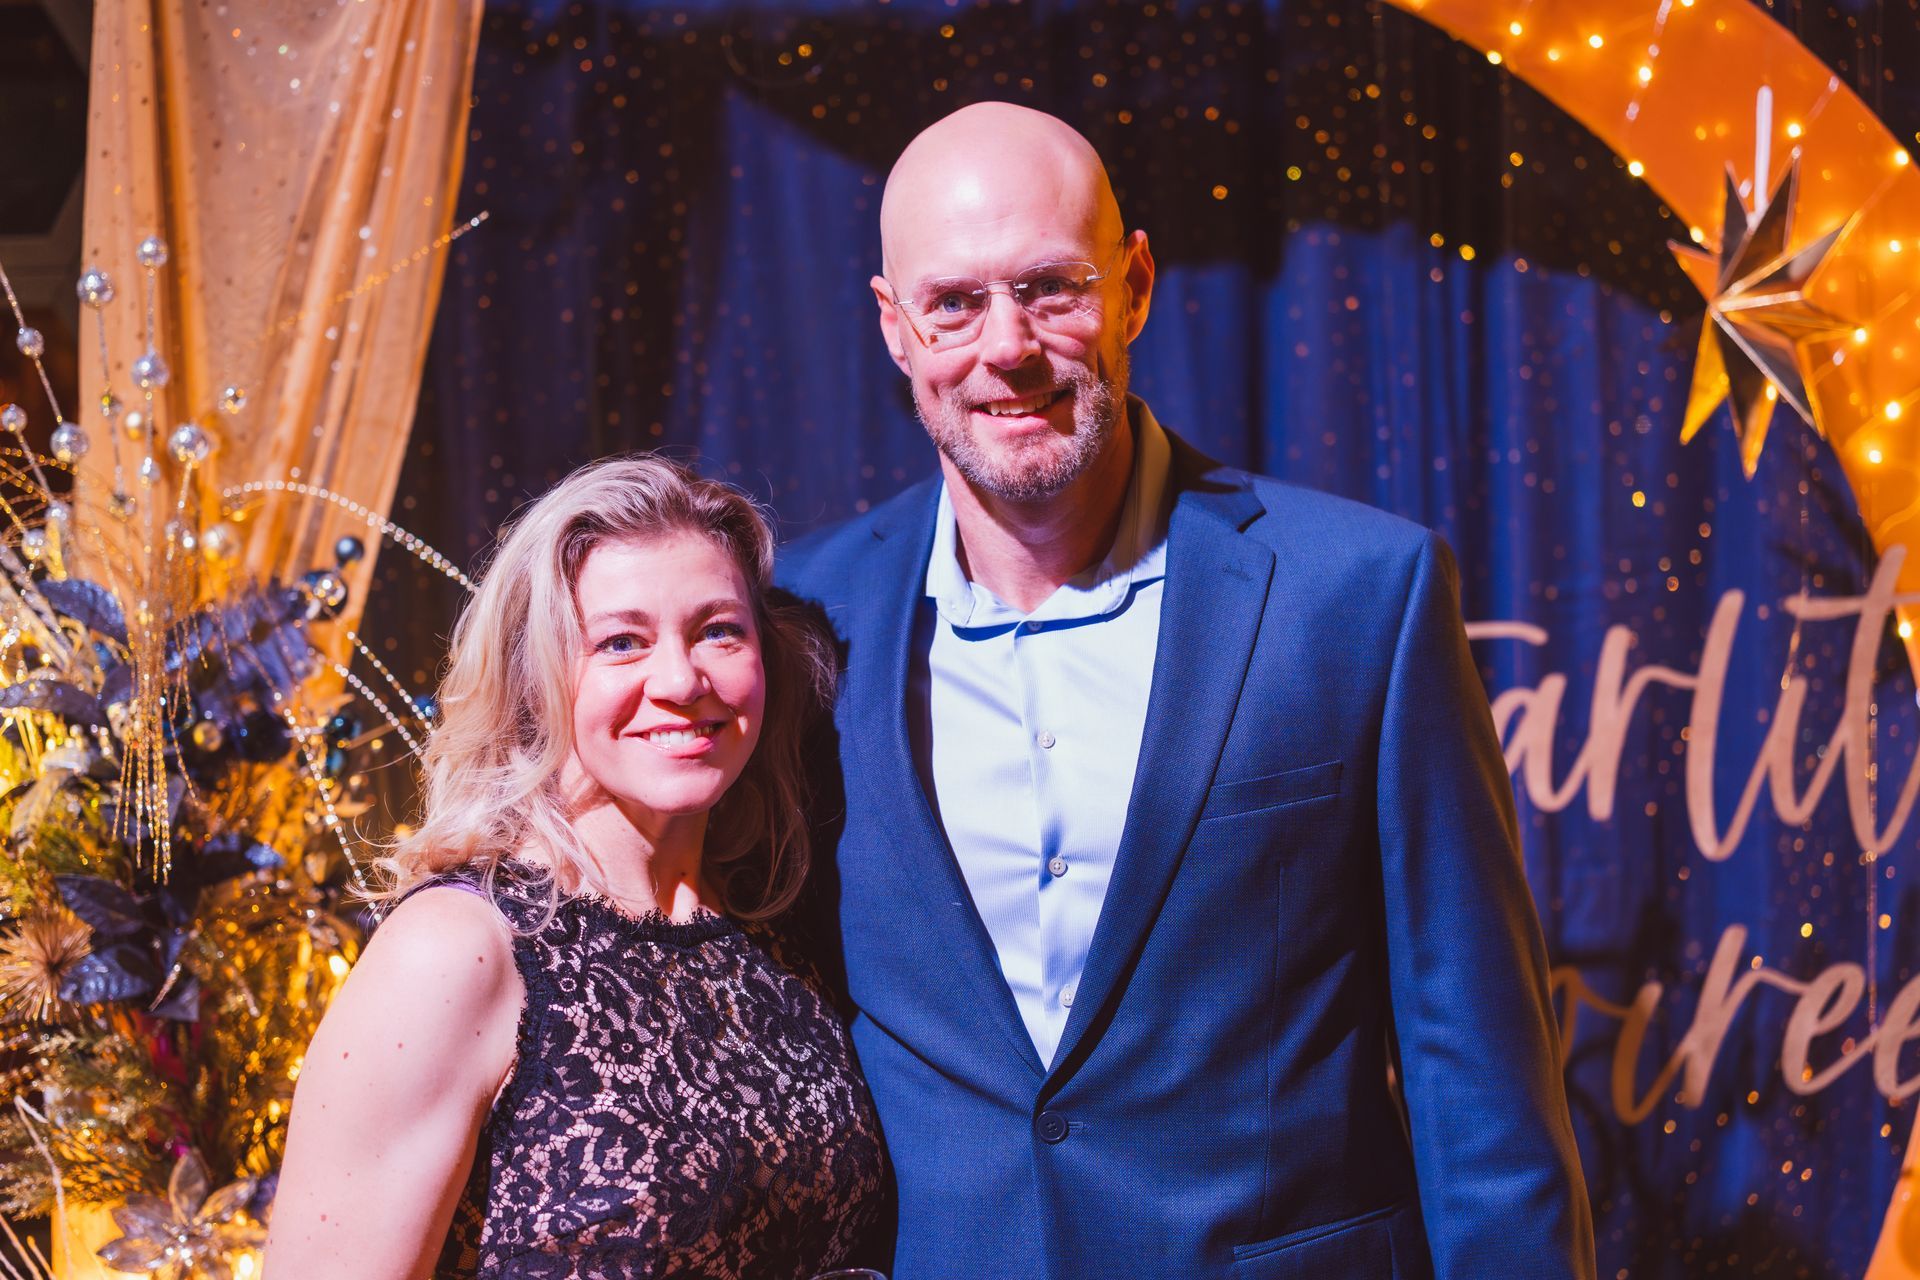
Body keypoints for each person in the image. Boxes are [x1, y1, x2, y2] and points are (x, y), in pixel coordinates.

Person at [776, 102, 1596, 1279]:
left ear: (1135, 286)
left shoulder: (1358, 593)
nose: (1007, 346)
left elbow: (1479, 1073)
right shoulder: (800, 621)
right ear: (894, 326)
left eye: (1051, 289)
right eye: (953, 302)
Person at [266, 457, 885, 1278]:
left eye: (718, 631)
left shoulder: (773, 936)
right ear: (534, 678)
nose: (681, 679)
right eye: (622, 642)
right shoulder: (457, 949)